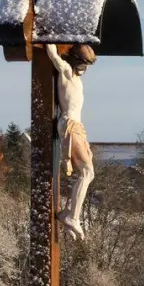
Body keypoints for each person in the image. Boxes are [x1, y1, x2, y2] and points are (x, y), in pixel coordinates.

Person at [45, 43, 96, 241]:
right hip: (69, 125)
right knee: (86, 172)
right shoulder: (66, 70)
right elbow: (51, 53)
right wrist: (50, 34)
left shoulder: (77, 79)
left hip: (77, 126)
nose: (86, 69)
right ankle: (72, 217)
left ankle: (70, 213)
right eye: (84, 64)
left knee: (88, 173)